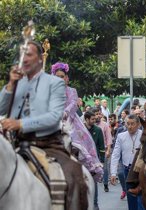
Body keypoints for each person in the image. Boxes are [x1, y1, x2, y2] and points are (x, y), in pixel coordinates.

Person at [0, 41, 88, 210]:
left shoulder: (54, 83)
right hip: (14, 145)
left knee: (74, 177)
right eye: (22, 55)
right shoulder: (16, 83)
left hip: (47, 145)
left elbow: (54, 117)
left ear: (40, 59)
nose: (24, 59)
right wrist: (10, 85)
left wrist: (20, 123)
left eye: (29, 55)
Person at [51, 62, 103, 179]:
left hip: (70, 121)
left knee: (80, 142)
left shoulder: (72, 91)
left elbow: (74, 104)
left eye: (61, 76)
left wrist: (65, 112)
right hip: (53, 120)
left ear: (66, 78)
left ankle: (89, 167)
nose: (59, 79)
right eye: (56, 77)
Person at [110, 114, 144, 210]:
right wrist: (113, 173)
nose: (129, 126)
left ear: (138, 124)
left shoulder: (143, 136)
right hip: (128, 171)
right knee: (131, 201)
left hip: (141, 172)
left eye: (132, 124)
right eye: (127, 124)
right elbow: (115, 155)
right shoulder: (121, 136)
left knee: (141, 202)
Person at [84, 111, 105, 210]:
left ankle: (95, 205)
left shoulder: (98, 130)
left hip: (94, 162)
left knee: (93, 182)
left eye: (95, 118)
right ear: (86, 119)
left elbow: (101, 146)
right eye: (92, 119)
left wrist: (102, 161)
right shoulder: (81, 129)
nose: (94, 120)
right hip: (82, 160)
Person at [92, 107, 113, 192]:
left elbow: (108, 138)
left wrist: (108, 150)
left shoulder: (105, 125)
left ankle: (105, 184)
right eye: (96, 114)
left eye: (99, 114)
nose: (98, 116)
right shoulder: (89, 125)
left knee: (104, 168)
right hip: (92, 151)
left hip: (103, 150)